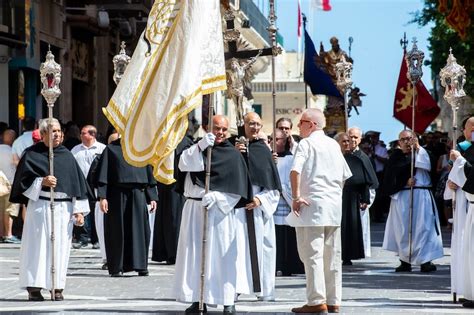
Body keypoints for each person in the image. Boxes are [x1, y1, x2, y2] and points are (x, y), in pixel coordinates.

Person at [174, 115, 252, 314]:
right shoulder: (196, 148)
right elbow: (184, 165)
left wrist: (218, 196)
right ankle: (197, 299)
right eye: (217, 128)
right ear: (208, 127)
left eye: (224, 129)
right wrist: (200, 147)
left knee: (222, 257)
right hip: (194, 209)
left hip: (220, 214)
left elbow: (237, 189)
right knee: (195, 256)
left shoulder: (233, 155)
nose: (220, 133)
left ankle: (227, 300)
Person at [9, 118, 90, 301]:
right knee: (37, 248)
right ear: (43, 134)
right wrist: (41, 182)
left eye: (59, 131)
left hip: (63, 208)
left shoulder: (67, 156)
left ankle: (57, 286)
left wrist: (78, 211)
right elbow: (22, 184)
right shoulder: (31, 154)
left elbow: (76, 184)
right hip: (40, 205)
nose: (57, 135)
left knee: (60, 247)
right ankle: (34, 286)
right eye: (53, 131)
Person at [289, 109, 352, 313]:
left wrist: (296, 197)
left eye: (301, 122)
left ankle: (316, 300)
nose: (299, 126)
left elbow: (295, 170)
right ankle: (333, 299)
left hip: (312, 206)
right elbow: (344, 176)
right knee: (332, 256)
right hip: (333, 208)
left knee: (312, 254)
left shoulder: (306, 144)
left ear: (312, 124)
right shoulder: (333, 144)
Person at [234, 112, 281, 301]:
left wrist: (261, 200)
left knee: (264, 249)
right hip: (236, 209)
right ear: (243, 125)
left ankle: (264, 290)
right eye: (251, 123)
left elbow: (273, 186)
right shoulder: (233, 146)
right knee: (236, 249)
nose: (255, 128)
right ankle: (235, 288)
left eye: (258, 125)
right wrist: (235, 155)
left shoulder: (263, 150)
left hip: (259, 209)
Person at [381, 130, 443, 273]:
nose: (407, 142)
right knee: (403, 229)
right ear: (399, 142)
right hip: (402, 196)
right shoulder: (396, 157)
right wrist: (404, 181)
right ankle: (405, 260)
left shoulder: (424, 153)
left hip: (422, 195)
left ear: (415, 139)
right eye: (403, 140)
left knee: (424, 228)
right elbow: (390, 177)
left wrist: (419, 149)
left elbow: (430, 166)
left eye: (410, 139)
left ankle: (425, 260)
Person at [96, 137, 158, 277]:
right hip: (116, 194)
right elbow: (103, 175)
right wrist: (102, 196)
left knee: (140, 231)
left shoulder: (142, 148)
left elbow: (149, 172)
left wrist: (152, 196)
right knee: (117, 230)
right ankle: (117, 266)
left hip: (138, 193)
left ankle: (141, 265)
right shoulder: (111, 149)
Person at [152, 135, 193, 265]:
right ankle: (164, 252)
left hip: (178, 185)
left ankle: (175, 253)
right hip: (163, 184)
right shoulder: (161, 138)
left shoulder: (186, 141)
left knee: (176, 219)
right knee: (164, 219)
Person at [445, 116, 474, 299]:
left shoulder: (462, 154)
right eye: (471, 127)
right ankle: (468, 291)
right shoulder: (463, 148)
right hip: (468, 207)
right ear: (463, 130)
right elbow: (457, 179)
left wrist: (460, 162)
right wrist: (451, 182)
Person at [271, 128, 304, 276]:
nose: (274, 143)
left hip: (288, 199)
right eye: (272, 139)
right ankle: (276, 264)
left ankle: (291, 265)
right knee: (276, 236)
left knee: (290, 235)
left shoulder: (291, 159)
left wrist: (286, 191)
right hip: (274, 202)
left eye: (278, 140)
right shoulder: (269, 158)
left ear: (285, 142)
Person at [71, 125, 106, 249]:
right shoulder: (75, 149)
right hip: (80, 183)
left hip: (95, 184)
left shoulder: (102, 149)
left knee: (96, 210)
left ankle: (96, 239)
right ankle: (82, 238)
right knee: (80, 209)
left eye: (83, 133)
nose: (81, 135)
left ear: (92, 135)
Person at [348, 127, 379, 258]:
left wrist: (367, 200)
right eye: (351, 137)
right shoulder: (342, 155)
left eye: (356, 137)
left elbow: (371, 183)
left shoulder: (364, 158)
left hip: (359, 200)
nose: (353, 140)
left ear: (360, 139)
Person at [0, 129, 20, 243]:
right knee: (10, 210)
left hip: (0, 184)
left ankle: (1, 233)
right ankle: (8, 235)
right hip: (10, 184)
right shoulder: (13, 151)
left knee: (0, 210)